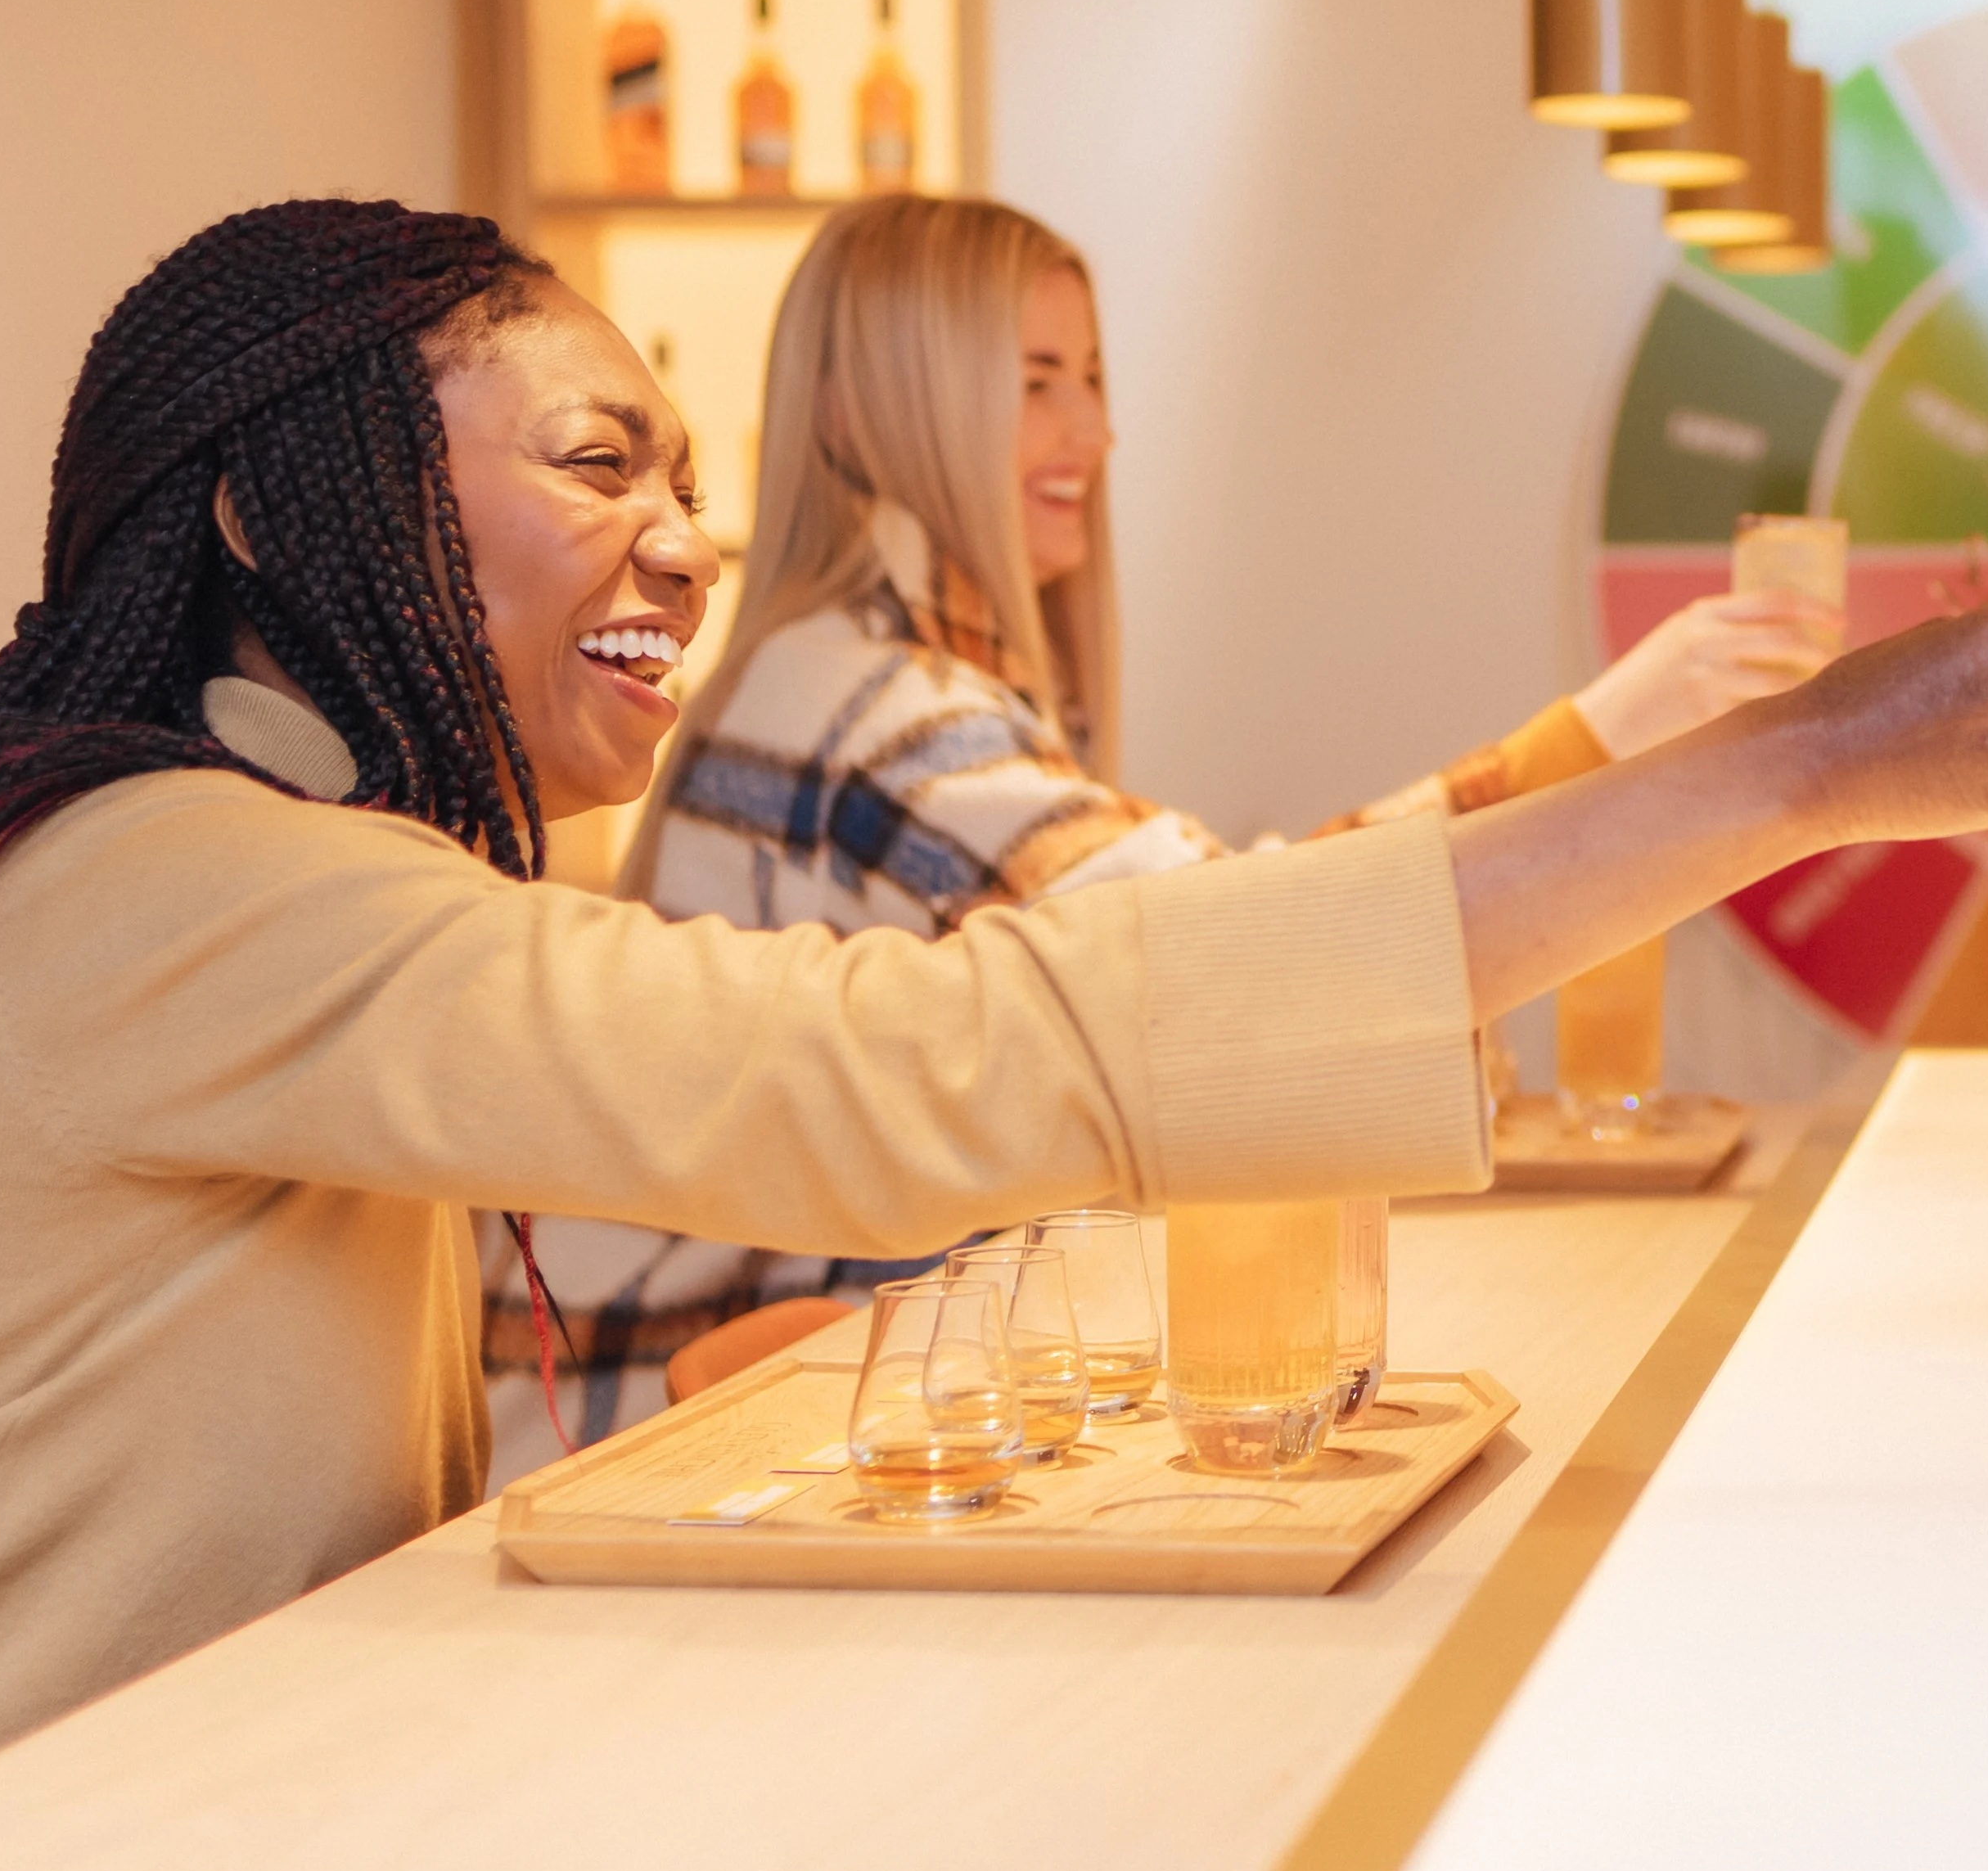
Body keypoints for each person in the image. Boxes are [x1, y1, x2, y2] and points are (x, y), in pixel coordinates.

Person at [0, 200, 1988, 1864]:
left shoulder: (197, 863)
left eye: (687, 477)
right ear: (280, 524)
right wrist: (1788, 772)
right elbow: (956, 1062)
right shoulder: (188, 882)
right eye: (598, 463)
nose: (683, 545)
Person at [523, 196, 1832, 1410]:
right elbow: (1235, 955)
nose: (1092, 434)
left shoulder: (859, 673)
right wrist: (1606, 736)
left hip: (775, 1393)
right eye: (1034, 385)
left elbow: (1201, 951)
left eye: (1091, 381)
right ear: (863, 412)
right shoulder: (862, 704)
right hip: (671, 1436)